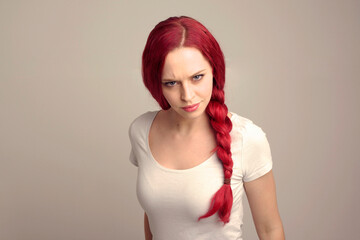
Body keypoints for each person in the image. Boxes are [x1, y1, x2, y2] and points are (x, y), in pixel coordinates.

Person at [128, 16, 285, 240]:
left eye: (197, 77)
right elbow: (156, 214)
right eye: (171, 83)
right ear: (156, 83)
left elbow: (270, 230)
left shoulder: (247, 138)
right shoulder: (141, 130)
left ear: (214, 71)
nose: (187, 96)